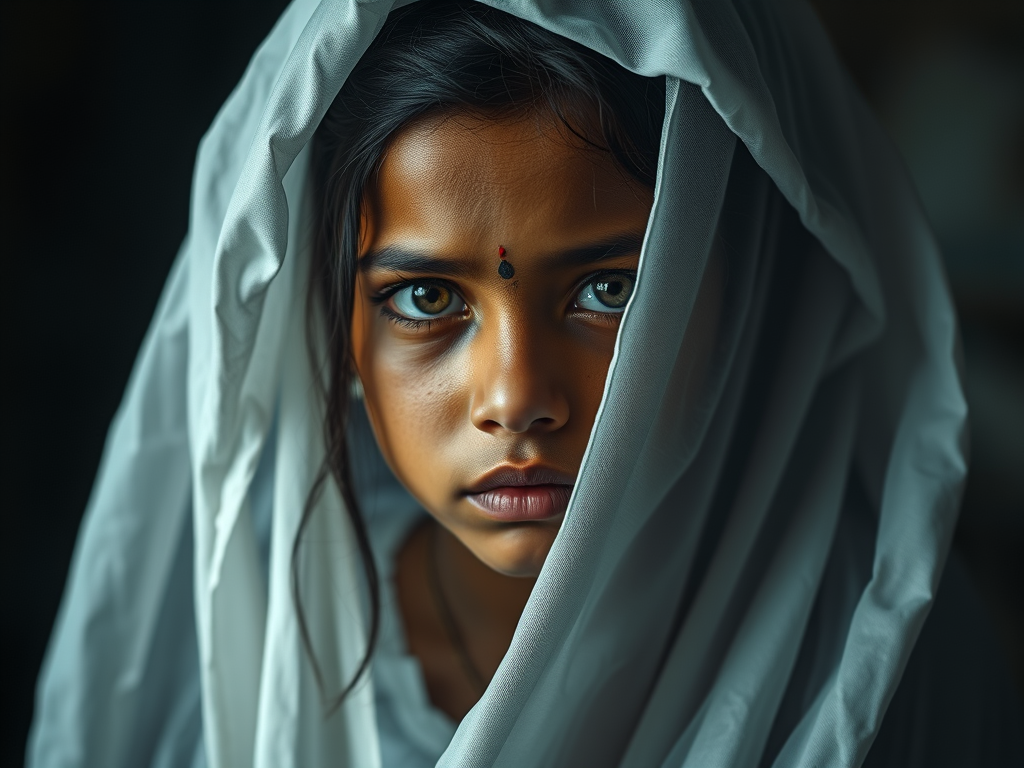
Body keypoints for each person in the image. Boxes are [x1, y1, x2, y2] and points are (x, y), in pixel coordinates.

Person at [26, 1, 1022, 767]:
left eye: (608, 289)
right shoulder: (245, 631)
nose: (517, 396)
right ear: (331, 328)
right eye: (424, 299)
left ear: (747, 293)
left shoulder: (877, 660)